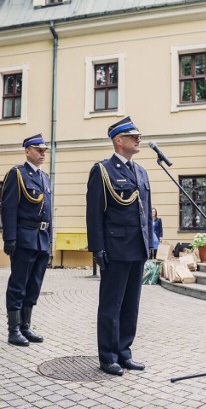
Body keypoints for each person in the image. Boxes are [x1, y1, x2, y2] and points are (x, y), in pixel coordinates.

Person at [86, 116, 152, 376]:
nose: (139, 139)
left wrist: (149, 245)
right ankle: (108, 356)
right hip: (115, 248)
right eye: (133, 135)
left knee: (131, 305)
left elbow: (144, 212)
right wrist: (97, 248)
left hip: (137, 248)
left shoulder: (141, 171)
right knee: (111, 305)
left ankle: (124, 353)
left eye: (138, 135)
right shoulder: (103, 170)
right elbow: (94, 213)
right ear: (118, 140)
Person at [1, 134, 52, 347]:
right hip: (24, 238)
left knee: (34, 285)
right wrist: (10, 238)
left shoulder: (45, 177)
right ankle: (13, 330)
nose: (42, 154)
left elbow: (48, 212)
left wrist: (50, 240)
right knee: (19, 284)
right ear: (27, 151)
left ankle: (26, 326)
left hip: (41, 238)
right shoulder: (17, 174)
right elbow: (9, 206)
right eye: (38, 150)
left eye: (44, 151)